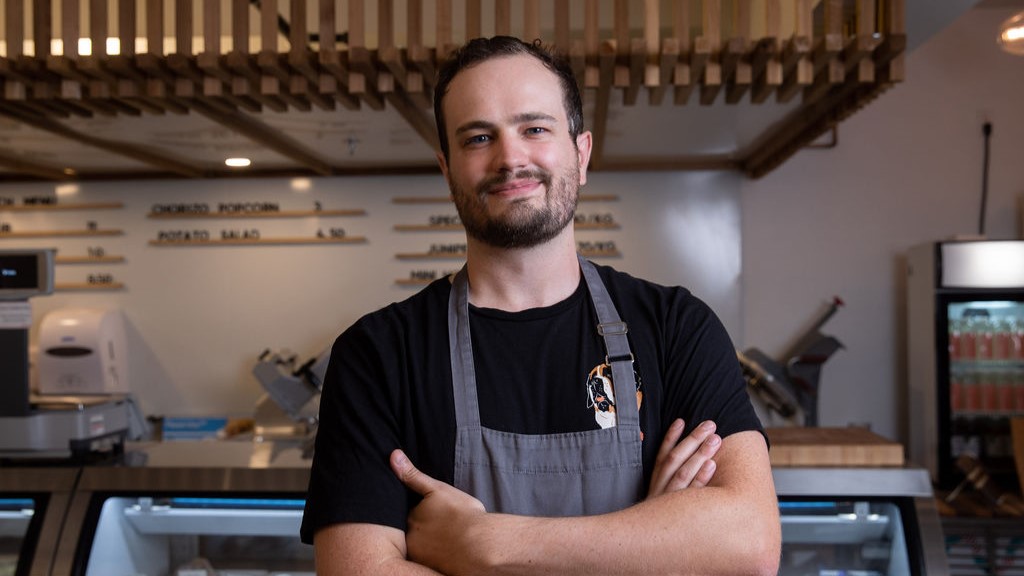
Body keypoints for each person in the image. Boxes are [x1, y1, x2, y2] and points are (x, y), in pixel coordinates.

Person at [301, 36, 781, 575]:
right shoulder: (379, 354)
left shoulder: (676, 328)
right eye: (479, 137)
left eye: (535, 128)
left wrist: (488, 547)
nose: (510, 158)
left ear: (581, 152)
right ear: (447, 167)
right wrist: (655, 545)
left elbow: (750, 543)